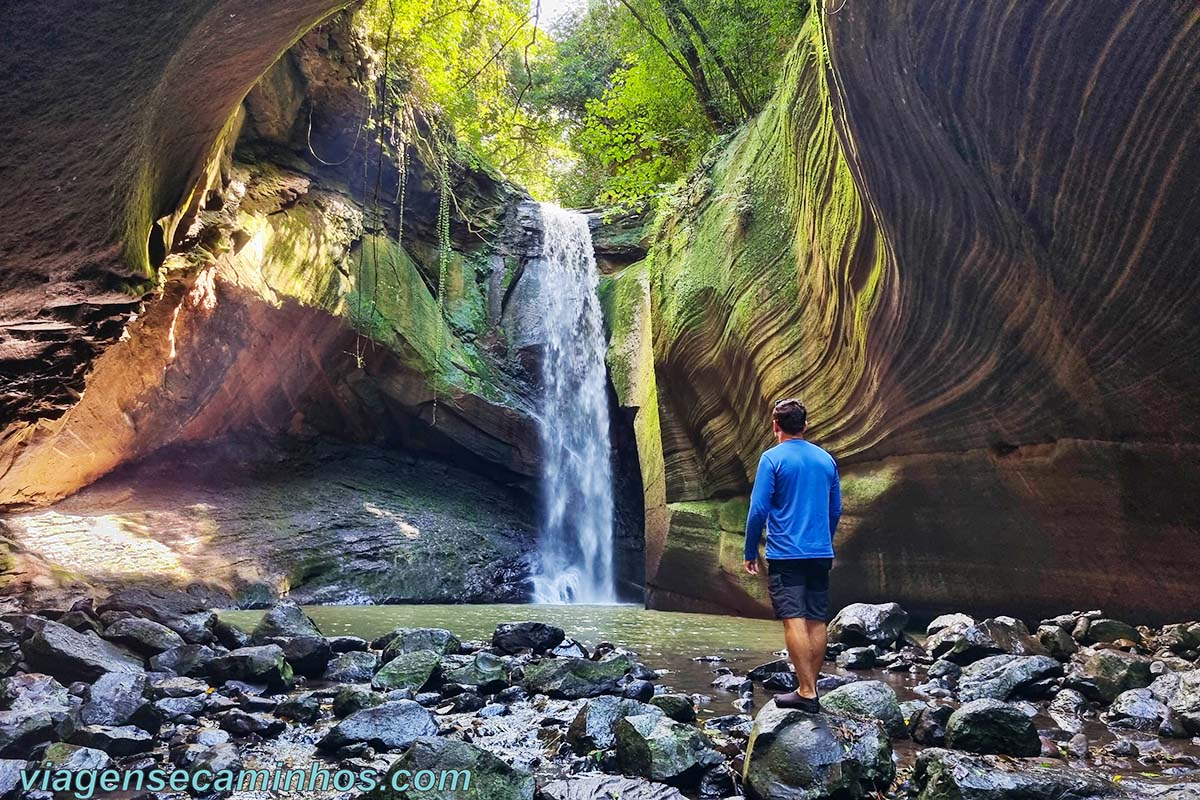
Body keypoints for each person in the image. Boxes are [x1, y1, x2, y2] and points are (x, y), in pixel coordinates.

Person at [743, 398, 841, 713]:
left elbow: (758, 509)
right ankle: (810, 689)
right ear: (805, 425)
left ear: (775, 426)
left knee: (793, 617)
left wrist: (749, 550)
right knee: (817, 616)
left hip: (787, 554)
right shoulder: (826, 460)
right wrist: (824, 538)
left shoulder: (772, 459)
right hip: (820, 551)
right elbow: (835, 509)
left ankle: (806, 691)